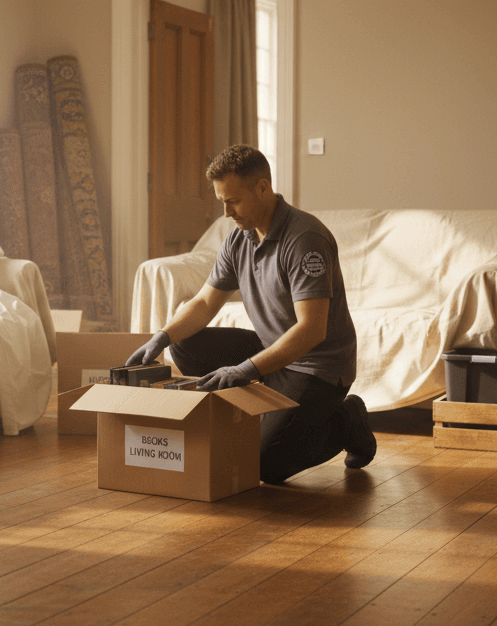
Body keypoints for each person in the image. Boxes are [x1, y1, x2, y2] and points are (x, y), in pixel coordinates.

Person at [126, 144, 375, 484]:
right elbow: (203, 304)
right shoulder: (238, 240)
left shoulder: (304, 238)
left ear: (262, 188)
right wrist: (162, 336)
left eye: (233, 201)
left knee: (264, 465)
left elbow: (312, 330)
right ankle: (248, 421)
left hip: (317, 367)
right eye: (222, 202)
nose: (227, 212)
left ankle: (347, 420)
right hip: (274, 354)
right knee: (184, 345)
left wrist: (246, 369)